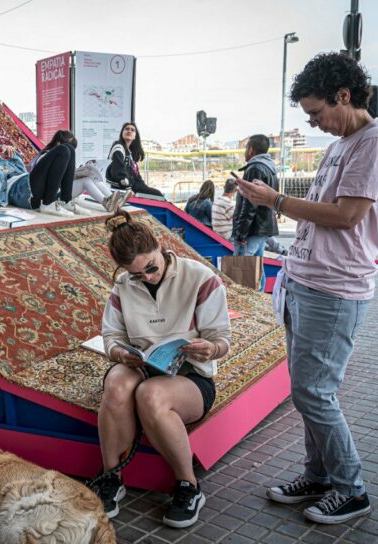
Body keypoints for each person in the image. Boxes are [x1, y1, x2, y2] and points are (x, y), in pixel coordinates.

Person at [236, 52, 378, 525]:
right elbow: (325, 207)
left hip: (335, 287)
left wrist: (277, 200)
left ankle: (351, 489)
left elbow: (348, 215)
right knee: (307, 391)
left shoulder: (372, 143)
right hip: (306, 281)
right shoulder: (342, 143)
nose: (314, 123)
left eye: (316, 113)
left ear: (343, 97)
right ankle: (319, 475)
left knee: (315, 393)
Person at [92, 209, 231, 528]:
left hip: (191, 376)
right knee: (116, 386)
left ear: (162, 247)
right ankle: (111, 477)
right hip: (142, 364)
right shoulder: (123, 286)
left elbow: (221, 339)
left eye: (151, 268)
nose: (147, 278)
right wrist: (120, 353)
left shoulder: (200, 277)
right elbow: (111, 335)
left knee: (151, 395)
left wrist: (210, 348)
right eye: (137, 275)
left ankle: (189, 485)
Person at [232, 134, 280, 289]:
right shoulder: (270, 167)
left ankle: (244, 307)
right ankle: (260, 301)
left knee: (241, 269)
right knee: (258, 268)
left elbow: (249, 204)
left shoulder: (254, 168)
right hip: (263, 227)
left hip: (252, 229)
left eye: (246, 148)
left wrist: (241, 232)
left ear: (251, 150)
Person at [106, 122, 164, 197]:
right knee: (157, 195)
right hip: (122, 188)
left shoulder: (130, 154)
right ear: (122, 133)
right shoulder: (118, 147)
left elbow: (137, 178)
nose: (129, 131)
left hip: (134, 186)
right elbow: (118, 171)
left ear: (135, 136)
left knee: (157, 194)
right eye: (126, 129)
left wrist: (145, 188)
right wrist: (128, 190)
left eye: (132, 130)